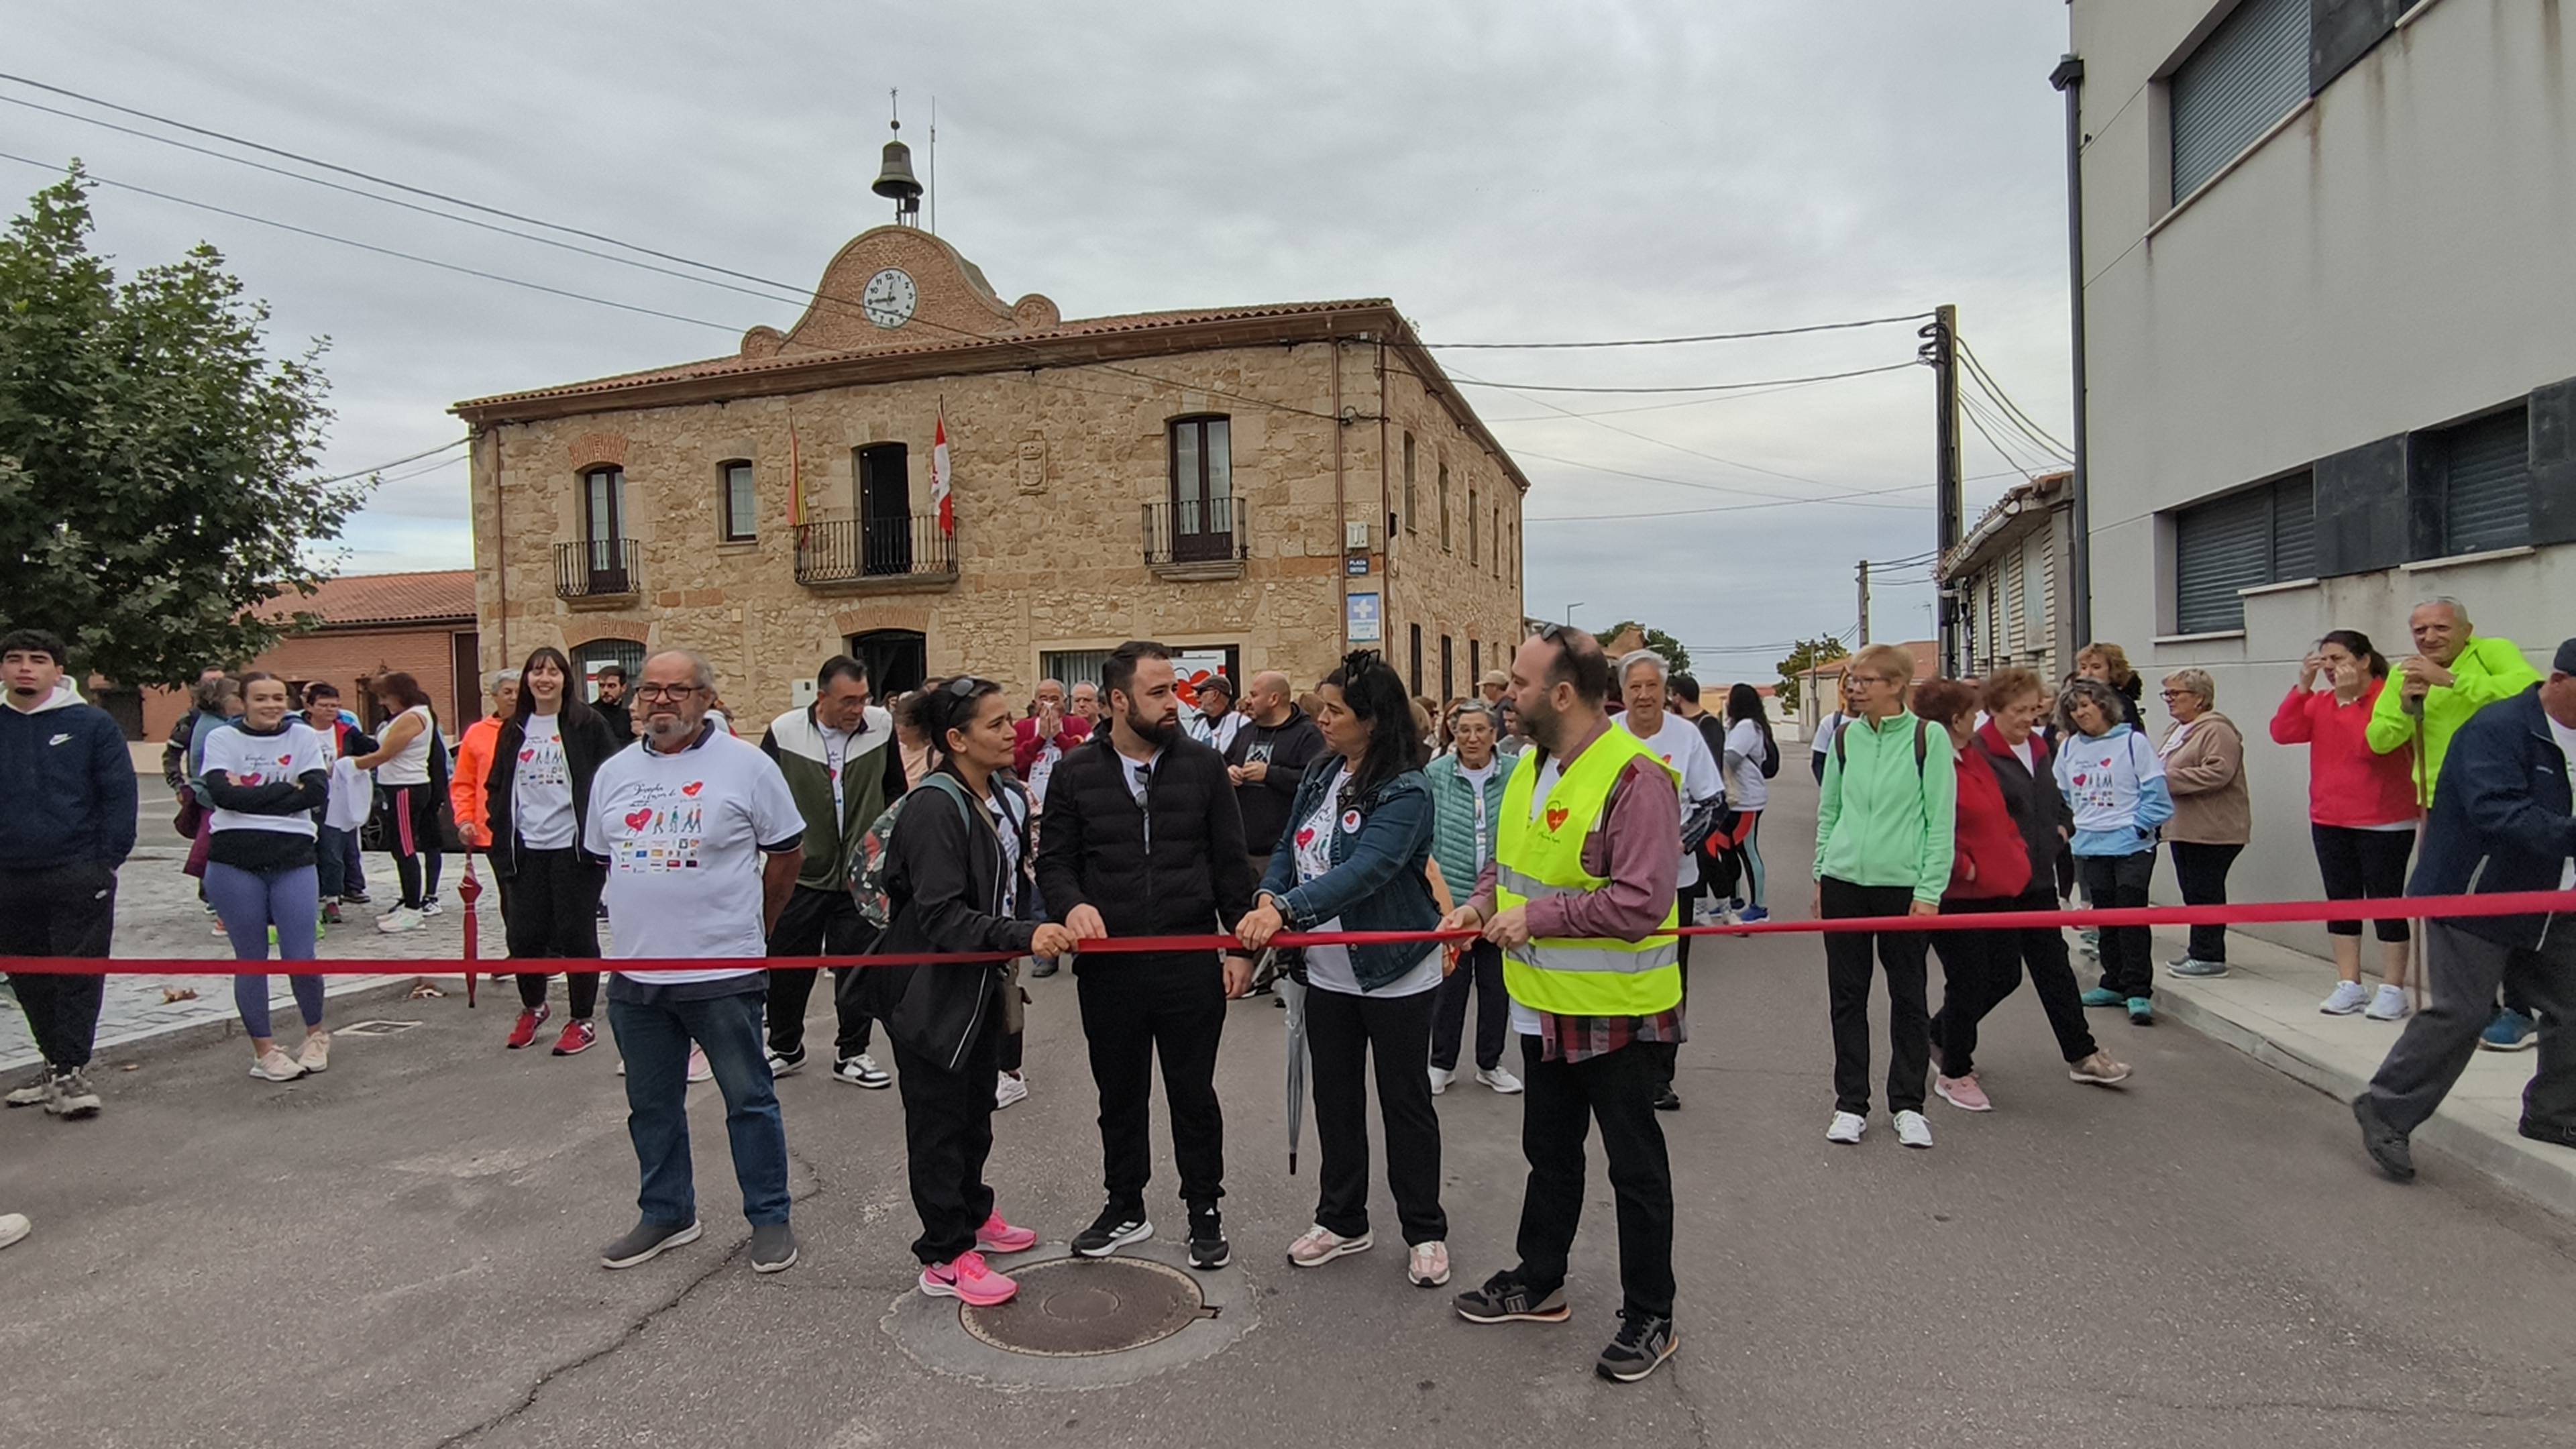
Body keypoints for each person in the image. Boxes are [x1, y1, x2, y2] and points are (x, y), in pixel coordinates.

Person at [1444, 625, 1684, 1385]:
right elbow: (1506, 866)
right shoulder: (1528, 765)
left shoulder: (1636, 778)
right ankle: (1540, 1279)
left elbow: (1641, 902)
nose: (1504, 697)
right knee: (1549, 1155)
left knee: (1634, 1169)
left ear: (1564, 694)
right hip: (1540, 1003)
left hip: (1618, 1008)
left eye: (1518, 685)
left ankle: (1651, 1314)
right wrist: (1478, 907)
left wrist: (1536, 919)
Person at [1037, 640, 1259, 1272]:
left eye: (1175, 691)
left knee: (1194, 1094)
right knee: (1119, 1094)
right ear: (1117, 700)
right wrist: (1072, 905)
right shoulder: (1075, 772)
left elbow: (1229, 863)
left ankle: (1204, 1208)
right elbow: (1054, 862)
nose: (1173, 703)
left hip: (1188, 958)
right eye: (1158, 692)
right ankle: (1125, 1205)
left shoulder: (1204, 766)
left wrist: (1239, 948)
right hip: (1110, 966)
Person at [582, 651, 804, 1275]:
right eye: (650, 690)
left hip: (722, 972)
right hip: (636, 976)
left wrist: (758, 928)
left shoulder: (748, 766)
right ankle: (667, 1212)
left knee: (748, 1100)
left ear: (707, 698)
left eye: (677, 690)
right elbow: (603, 859)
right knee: (651, 1105)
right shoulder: (615, 773)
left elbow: (787, 854)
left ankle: (770, 1216)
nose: (661, 702)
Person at [1236, 651, 1450, 1286]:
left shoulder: (1407, 789)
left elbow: (1370, 869)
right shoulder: (1322, 770)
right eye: (1321, 709)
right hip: (1326, 971)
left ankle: (1425, 1229)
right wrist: (1269, 895)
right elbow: (1290, 845)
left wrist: (1288, 910)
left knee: (1405, 1103)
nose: (1321, 720)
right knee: (1336, 1099)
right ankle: (1342, 1219)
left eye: (1334, 711)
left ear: (1374, 720)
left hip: (1393, 971)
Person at [870, 677, 1077, 1307]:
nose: (1011, 732)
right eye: (996, 724)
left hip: (981, 977)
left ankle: (974, 1213)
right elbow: (940, 915)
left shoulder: (1001, 794)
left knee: (974, 1111)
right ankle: (944, 1254)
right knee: (938, 1123)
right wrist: (1023, 934)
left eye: (1010, 719)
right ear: (956, 740)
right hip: (930, 988)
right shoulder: (936, 807)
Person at [2354, 638, 2576, 1180]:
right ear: (2560, 681)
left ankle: (2553, 1115)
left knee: (2573, 1008)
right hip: (2477, 893)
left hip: (2556, 900)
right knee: (2464, 1012)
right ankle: (2386, 1110)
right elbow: (2498, 810)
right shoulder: (2499, 729)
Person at [1942, 668, 2131, 1098]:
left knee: (2055, 969)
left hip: (2039, 879)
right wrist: (1971, 866)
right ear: (1995, 709)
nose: (2029, 718)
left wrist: (2063, 829)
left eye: (2034, 709)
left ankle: (2082, 1055)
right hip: (1997, 883)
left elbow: (2053, 797)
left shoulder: (2040, 747)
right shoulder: (1978, 751)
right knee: (1997, 976)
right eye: (2020, 710)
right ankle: (1944, 1035)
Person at [2366, 597, 2544, 1050]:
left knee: (2508, 905)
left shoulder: (2493, 652)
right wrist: (2406, 706)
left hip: (2507, 802)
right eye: (2420, 630)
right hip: (2441, 807)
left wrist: (2450, 681)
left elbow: (2528, 691)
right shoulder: (2405, 673)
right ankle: (2473, 1008)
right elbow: (2379, 739)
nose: (2429, 638)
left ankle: (2519, 1009)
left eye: (2440, 628)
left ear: (2466, 630)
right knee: (2442, 906)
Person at [1811, 643, 1956, 1148]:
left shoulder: (1927, 737)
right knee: (1847, 998)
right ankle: (1850, 1103)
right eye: (1852, 679)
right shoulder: (1844, 737)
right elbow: (1830, 811)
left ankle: (1908, 1104)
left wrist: (1930, 891)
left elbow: (1940, 820)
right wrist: (1820, 874)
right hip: (1844, 883)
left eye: (1865, 680)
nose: (1854, 688)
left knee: (1908, 996)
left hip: (1903, 886)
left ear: (1896, 685)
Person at [1, 629, 136, 1120]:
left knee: (77, 974)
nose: (25, 668)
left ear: (58, 671)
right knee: (28, 977)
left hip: (78, 871)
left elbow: (118, 796)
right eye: (14, 659)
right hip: (10, 875)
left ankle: (73, 1070)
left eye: (37, 659)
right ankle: (54, 1064)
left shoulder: (91, 724)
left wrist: (106, 861)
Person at [761, 656, 907, 1086]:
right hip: (802, 874)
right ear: (822, 697)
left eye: (863, 699)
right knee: (788, 966)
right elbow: (763, 797)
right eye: (848, 701)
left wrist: (882, 847)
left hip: (860, 876)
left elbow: (895, 788)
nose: (858, 709)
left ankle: (853, 1052)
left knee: (857, 967)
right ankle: (785, 1046)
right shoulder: (785, 731)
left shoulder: (881, 725)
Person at [2271, 632, 2418, 1018]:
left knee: (2386, 900)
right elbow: (2283, 732)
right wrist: (2303, 688)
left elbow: (2370, 747)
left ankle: (2392, 987)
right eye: (2324, 661)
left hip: (2384, 817)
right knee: (2341, 900)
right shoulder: (2322, 701)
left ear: (2364, 660)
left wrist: (2352, 701)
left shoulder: (2387, 696)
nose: (2330, 668)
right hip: (2329, 815)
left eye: (2337, 659)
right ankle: (2349, 983)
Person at [195, 672, 333, 1082]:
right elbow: (222, 795)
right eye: (261, 698)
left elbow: (316, 792)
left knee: (300, 955)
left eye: (278, 698)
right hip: (234, 859)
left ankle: (315, 1035)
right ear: (243, 701)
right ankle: (265, 1051)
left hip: (293, 856)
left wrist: (250, 795)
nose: (271, 706)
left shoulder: (302, 736)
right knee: (252, 958)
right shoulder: (222, 738)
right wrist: (287, 790)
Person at [483, 647, 619, 1056]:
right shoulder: (514, 728)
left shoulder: (587, 724)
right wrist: (495, 821)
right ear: (527, 679)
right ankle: (533, 1007)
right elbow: (497, 783)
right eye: (537, 672)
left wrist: (602, 833)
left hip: (573, 850)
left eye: (553, 672)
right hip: (525, 849)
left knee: (577, 934)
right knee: (524, 936)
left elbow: (610, 778)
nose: (544, 679)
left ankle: (582, 1019)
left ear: (566, 679)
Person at [1613, 650, 1723, 1112]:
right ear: (1623, 693)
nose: (1643, 695)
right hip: (1614, 880)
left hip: (1674, 881)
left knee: (1667, 975)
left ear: (1665, 691)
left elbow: (1713, 803)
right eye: (1634, 687)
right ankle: (1618, 1065)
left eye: (1651, 686)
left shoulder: (1686, 736)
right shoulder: (1606, 735)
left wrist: (1678, 843)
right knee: (1619, 969)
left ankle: (1661, 1076)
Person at [2059, 677, 2172, 1026]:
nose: (2080, 713)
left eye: (2085, 705)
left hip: (2132, 845)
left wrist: (2139, 827)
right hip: (2092, 845)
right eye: (2073, 709)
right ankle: (2113, 982)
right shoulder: (2069, 748)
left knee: (2131, 916)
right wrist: (2075, 825)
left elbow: (2157, 793)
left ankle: (2138, 990)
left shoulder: (2133, 743)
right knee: (2105, 917)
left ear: (2103, 705)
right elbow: (2062, 794)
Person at [1424, 701, 1519, 1096]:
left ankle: (1490, 1063)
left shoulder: (1515, 772)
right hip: (1452, 896)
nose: (1472, 738)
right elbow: (1425, 833)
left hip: (1499, 898)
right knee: (1450, 988)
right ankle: (1441, 1063)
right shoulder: (1436, 774)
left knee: (1496, 988)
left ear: (1494, 734)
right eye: (1464, 730)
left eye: (1480, 730)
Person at [2157, 669, 2249, 979]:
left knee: (2205, 890)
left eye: (2176, 694)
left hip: (2212, 829)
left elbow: (2218, 772)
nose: (2169, 700)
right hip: (2185, 827)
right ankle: (2198, 950)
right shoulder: (2178, 730)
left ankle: (2210, 956)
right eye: (2167, 694)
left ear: (2199, 698)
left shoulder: (2217, 730)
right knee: (2193, 892)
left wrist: (2164, 779)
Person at [345, 672, 443, 933]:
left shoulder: (413, 717)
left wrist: (350, 765)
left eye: (385, 696)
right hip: (397, 786)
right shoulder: (405, 716)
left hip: (406, 787)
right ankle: (409, 902)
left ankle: (413, 908)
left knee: (405, 847)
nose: (382, 702)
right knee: (399, 847)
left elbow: (386, 753)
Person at [1226, 669, 1328, 890]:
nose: (1248, 701)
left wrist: (1270, 774)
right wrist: (1229, 771)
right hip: (1244, 850)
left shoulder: (1307, 735)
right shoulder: (1246, 731)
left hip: (1283, 852)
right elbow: (1225, 762)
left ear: (1274, 699)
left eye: (1254, 695)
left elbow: (1317, 782)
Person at [301, 683, 375, 915]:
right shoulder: (296, 731)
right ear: (309, 707)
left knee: (333, 849)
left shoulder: (346, 731)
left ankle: (332, 898)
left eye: (334, 706)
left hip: (336, 798)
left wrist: (351, 767)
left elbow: (374, 750)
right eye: (323, 705)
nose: (330, 710)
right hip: (303, 796)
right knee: (304, 847)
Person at [1718, 682, 1777, 924]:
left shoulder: (1747, 727)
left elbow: (1730, 759)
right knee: (1728, 849)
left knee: (1748, 850)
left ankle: (1760, 906)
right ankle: (1734, 900)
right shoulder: (1739, 726)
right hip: (1735, 801)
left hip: (1747, 801)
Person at [450, 669, 521, 859]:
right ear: (495, 696)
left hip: (532, 828)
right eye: (508, 692)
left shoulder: (537, 729)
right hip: (491, 827)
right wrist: (465, 819)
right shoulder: (477, 733)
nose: (514, 698)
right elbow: (464, 782)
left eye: (519, 692)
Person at [1012, 678, 1089, 810]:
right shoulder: (1022, 727)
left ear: (1064, 702)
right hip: (1030, 806)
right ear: (1035, 703)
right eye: (1043, 699)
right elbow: (1015, 764)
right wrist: (1039, 739)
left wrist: (1059, 736)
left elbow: (1085, 762)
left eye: (1054, 699)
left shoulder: (1078, 725)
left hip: (1071, 802)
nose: (1049, 704)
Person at [160, 663, 227, 792]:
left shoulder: (241, 715)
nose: (213, 687)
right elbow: (171, 756)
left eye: (219, 682)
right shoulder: (191, 719)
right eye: (209, 682)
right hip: (202, 789)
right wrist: (179, 787)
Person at [2075, 642, 2146, 729]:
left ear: (2113, 670)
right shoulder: (2074, 698)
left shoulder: (2122, 703)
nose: (2088, 673)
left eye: (2096, 667)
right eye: (2084, 667)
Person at [1809, 673, 1855, 784]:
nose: (1855, 696)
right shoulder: (1830, 722)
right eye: (1850, 691)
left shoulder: (1875, 722)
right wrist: (1828, 787)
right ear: (1843, 693)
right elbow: (1818, 761)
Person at [1184, 672, 1244, 755]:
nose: (1196, 696)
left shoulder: (1239, 724)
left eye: (1201, 691)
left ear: (1215, 694)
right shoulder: (1198, 724)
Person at [593, 663, 635, 745]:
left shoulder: (629, 715)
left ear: (623, 688)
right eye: (602, 686)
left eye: (611, 686)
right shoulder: (590, 714)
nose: (605, 690)